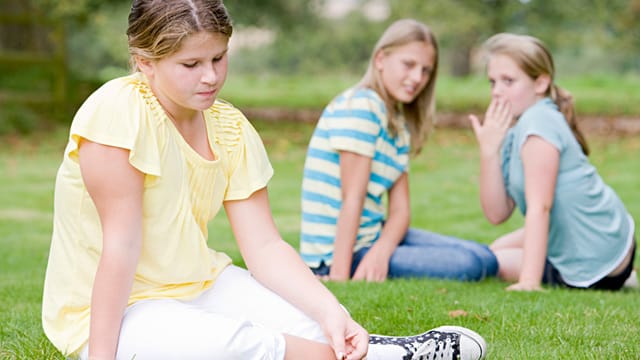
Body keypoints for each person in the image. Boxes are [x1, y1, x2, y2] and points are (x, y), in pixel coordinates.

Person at [41, 1, 488, 359]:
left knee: (312, 324)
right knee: (233, 345)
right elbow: (121, 245)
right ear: (145, 63)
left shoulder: (230, 127)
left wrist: (332, 310)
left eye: (218, 58)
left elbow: (265, 247)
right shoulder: (118, 112)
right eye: (191, 64)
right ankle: (395, 355)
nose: (211, 76)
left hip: (202, 283)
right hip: (115, 311)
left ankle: (375, 351)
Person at [299, 19, 498, 283]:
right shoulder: (361, 107)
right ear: (381, 59)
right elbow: (352, 199)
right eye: (409, 65)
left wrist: (382, 251)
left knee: (485, 256)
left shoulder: (397, 124)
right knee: (471, 264)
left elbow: (401, 212)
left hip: (372, 237)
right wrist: (339, 277)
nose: (417, 78)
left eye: (426, 70)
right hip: (338, 253)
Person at [468, 33, 636, 291]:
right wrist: (489, 152)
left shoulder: (539, 123)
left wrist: (528, 281)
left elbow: (540, 207)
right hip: (605, 240)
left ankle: (619, 275)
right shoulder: (518, 126)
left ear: (541, 83)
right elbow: (497, 213)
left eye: (508, 81)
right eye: (493, 82)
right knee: (495, 249)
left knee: (493, 261)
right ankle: (627, 276)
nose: (497, 92)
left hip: (597, 255)